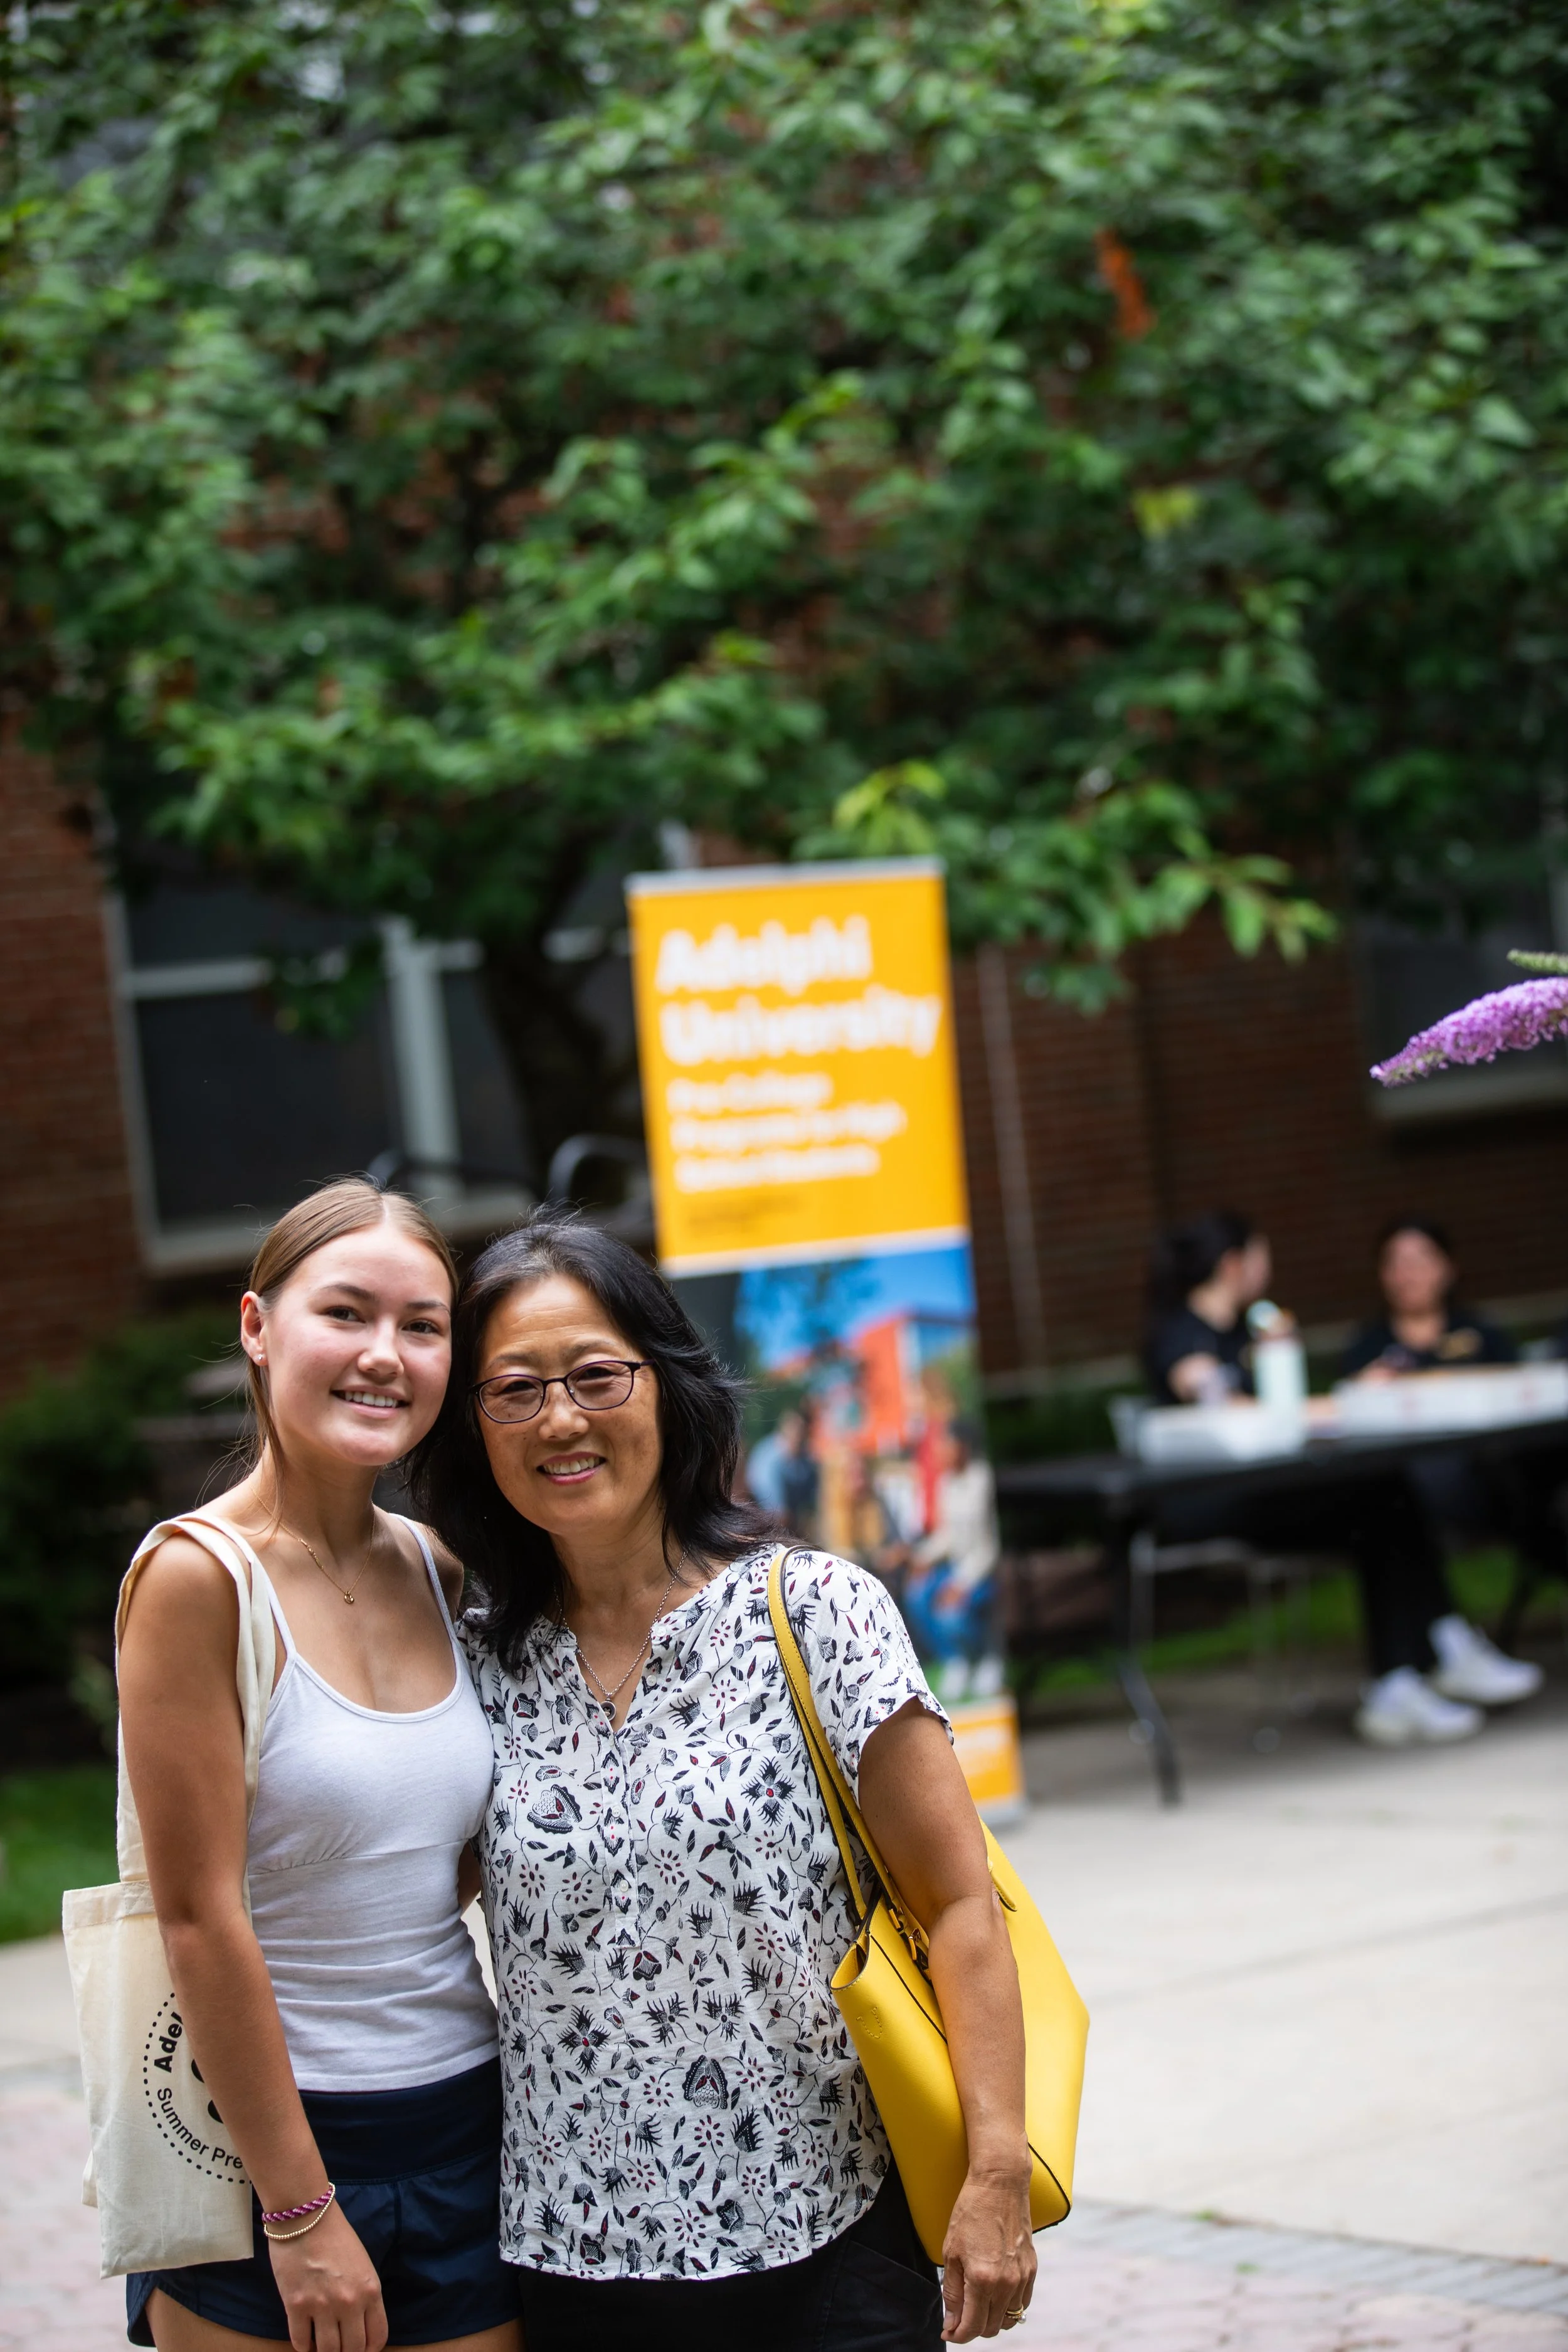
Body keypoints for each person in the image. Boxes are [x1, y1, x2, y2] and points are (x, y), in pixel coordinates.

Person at [413, 1215, 1036, 2351]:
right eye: (513, 1390)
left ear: (668, 1387)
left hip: (829, 2239)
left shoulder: (815, 1612)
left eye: (596, 1375)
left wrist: (994, 2167)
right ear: (475, 1429)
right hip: (572, 2262)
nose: (560, 1418)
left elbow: (958, 1901)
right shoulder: (471, 1659)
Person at [117, 1178, 520, 2352]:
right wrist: (298, 2211)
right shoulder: (197, 1580)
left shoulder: (437, 1571)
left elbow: (424, 1863)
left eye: (422, 1325)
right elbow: (199, 1919)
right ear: (257, 1328)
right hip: (259, 2142)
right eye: (345, 1313)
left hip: (464, 2119)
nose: (384, 1355)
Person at [1142, 1209, 1531, 1745]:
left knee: (1384, 1493)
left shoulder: (1250, 1328)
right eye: (1261, 1255)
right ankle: (1425, 1658)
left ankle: (1419, 1663)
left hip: (1264, 1489)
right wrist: (1340, 1405)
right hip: (1210, 1500)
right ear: (1234, 1265)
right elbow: (1215, 1399)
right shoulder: (1182, 1334)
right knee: (1379, 1501)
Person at [1341, 1217, 1557, 1688]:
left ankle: (1449, 1646)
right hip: (1417, 1491)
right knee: (1390, 1499)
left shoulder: (1479, 1334)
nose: (1408, 1274)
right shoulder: (1369, 1350)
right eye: (1396, 1264)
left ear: (1447, 1268)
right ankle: (1449, 1645)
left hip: (1495, 1484)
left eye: (1420, 1261)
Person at [901, 1424, 1004, 1703]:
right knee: (917, 1595)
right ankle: (955, 1660)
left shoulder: (983, 1479)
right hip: (955, 1568)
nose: (940, 1452)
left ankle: (985, 1659)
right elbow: (949, 1534)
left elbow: (990, 1545)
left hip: (982, 1572)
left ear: (963, 1447)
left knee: (951, 1614)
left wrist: (962, 1583)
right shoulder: (947, 1482)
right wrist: (922, 1558)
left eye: (946, 1444)